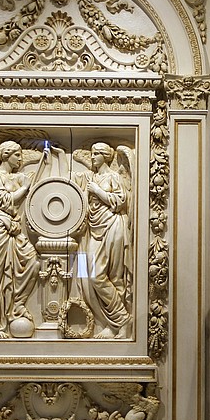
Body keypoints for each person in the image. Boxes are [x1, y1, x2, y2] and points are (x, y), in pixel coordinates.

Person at [0, 141, 39, 338]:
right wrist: (25, 188)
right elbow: (5, 201)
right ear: (6, 155)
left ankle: (17, 305)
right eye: (17, 155)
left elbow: (20, 178)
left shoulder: (11, 176)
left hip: (11, 228)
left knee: (32, 261)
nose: (20, 159)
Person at [73, 142, 132, 338]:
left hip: (113, 226)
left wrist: (97, 191)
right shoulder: (92, 177)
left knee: (113, 277)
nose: (93, 157)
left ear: (106, 156)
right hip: (94, 228)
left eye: (97, 153)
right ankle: (117, 319)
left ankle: (119, 324)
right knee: (90, 275)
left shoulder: (113, 176)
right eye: (92, 153)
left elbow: (121, 201)